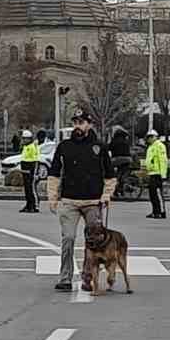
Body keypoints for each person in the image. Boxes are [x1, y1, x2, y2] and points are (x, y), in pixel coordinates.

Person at [46, 108, 115, 293]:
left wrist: (106, 195)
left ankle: (88, 277)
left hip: (93, 201)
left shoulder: (100, 147)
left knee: (93, 242)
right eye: (75, 122)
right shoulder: (64, 147)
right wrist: (52, 197)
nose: (78, 126)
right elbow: (54, 174)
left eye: (82, 122)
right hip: (69, 200)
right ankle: (65, 278)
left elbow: (110, 175)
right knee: (68, 238)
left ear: (89, 124)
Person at [143, 129, 168, 219]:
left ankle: (161, 211)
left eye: (150, 137)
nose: (148, 139)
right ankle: (155, 211)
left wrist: (163, 174)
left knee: (157, 193)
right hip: (152, 173)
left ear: (154, 137)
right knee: (152, 194)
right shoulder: (151, 147)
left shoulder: (160, 146)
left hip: (158, 173)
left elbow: (163, 160)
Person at [18, 130, 41, 213]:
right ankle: (28, 204)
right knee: (27, 189)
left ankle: (35, 206)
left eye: (25, 139)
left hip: (31, 170)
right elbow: (24, 158)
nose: (23, 140)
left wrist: (35, 172)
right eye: (23, 138)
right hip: (25, 171)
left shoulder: (33, 146)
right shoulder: (25, 147)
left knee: (32, 189)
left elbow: (36, 160)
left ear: (29, 139)